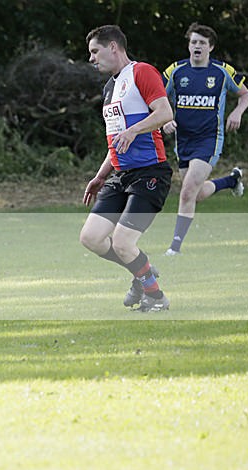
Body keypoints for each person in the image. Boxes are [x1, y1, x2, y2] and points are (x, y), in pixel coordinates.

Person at [80, 25, 173, 312]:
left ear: (113, 47)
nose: (92, 59)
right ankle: (141, 271)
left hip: (150, 173)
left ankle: (156, 297)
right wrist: (100, 176)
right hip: (120, 176)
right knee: (91, 238)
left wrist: (134, 130)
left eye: (95, 51)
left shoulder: (142, 72)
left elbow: (165, 113)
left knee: (122, 241)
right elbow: (116, 142)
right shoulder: (110, 87)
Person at [161, 22, 248, 256]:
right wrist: (163, 120)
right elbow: (156, 98)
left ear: (210, 47)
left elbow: (245, 95)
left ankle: (175, 248)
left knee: (188, 191)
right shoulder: (175, 71)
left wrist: (237, 112)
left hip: (209, 140)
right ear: (188, 45)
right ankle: (231, 181)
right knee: (196, 194)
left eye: (202, 42)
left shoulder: (222, 71)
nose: (197, 46)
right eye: (193, 42)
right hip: (184, 142)